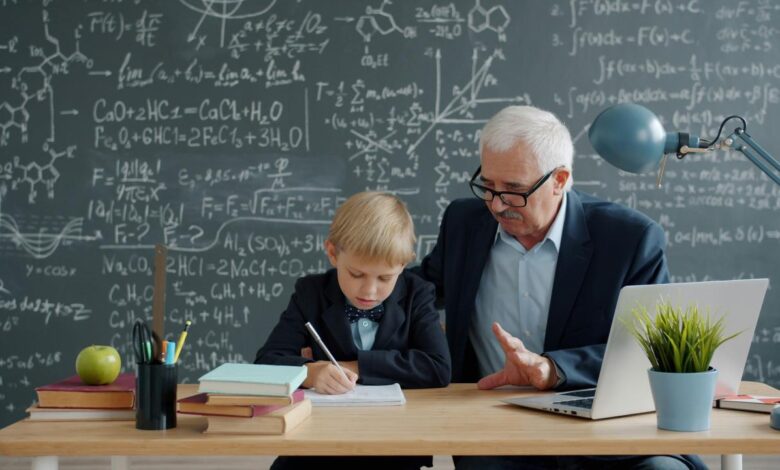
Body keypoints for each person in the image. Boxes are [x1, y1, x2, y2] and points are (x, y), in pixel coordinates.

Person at [414, 105, 706, 469]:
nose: (498, 204)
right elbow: (415, 294)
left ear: (560, 179)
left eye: (515, 190)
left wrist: (553, 370)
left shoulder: (630, 239)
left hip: (608, 434)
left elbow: (650, 349)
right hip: (497, 433)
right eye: (488, 186)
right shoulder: (464, 222)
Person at [256, 191, 451, 470]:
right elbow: (266, 362)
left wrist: (355, 366)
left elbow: (438, 368)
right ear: (333, 253)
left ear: (404, 264)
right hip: (314, 451)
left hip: (395, 450)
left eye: (385, 278)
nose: (369, 291)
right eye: (356, 274)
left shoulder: (418, 294)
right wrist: (311, 373)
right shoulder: (310, 293)